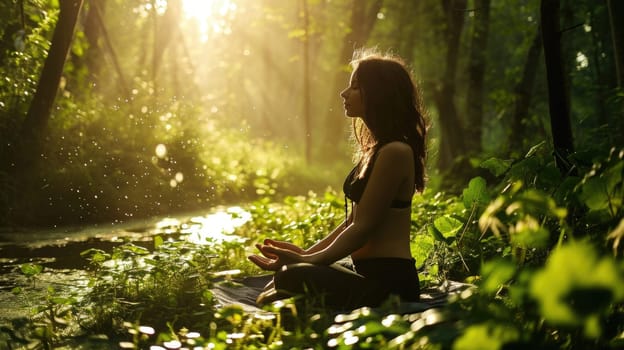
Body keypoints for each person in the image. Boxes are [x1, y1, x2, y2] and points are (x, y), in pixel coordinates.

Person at [248, 49, 428, 310]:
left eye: (355, 87)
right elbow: (352, 222)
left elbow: (362, 229)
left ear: (378, 93)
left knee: (290, 276)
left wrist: (307, 263)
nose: (344, 94)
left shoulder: (396, 152)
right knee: (286, 276)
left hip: (389, 284)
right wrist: (304, 255)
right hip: (365, 273)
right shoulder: (377, 150)